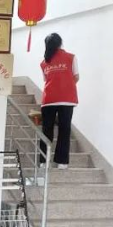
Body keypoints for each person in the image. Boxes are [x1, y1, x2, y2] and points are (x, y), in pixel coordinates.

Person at [39, 33, 79, 170]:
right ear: (60, 43)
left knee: (46, 130)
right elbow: (76, 77)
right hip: (67, 100)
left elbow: (46, 80)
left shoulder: (44, 62)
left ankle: (43, 161)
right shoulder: (71, 57)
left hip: (48, 100)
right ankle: (62, 162)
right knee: (64, 129)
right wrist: (66, 86)